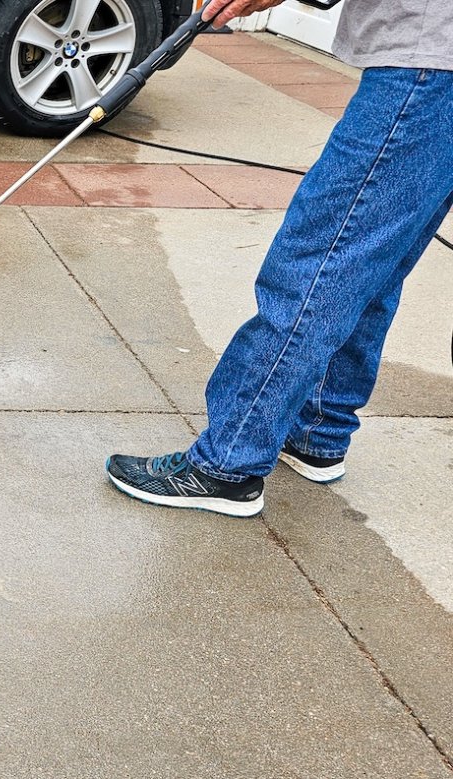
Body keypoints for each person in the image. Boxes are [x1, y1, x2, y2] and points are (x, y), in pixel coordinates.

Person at [106, 0, 453, 517]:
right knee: (372, 261)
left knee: (323, 257)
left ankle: (227, 463)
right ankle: (317, 431)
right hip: (433, 58)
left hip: (430, 61)